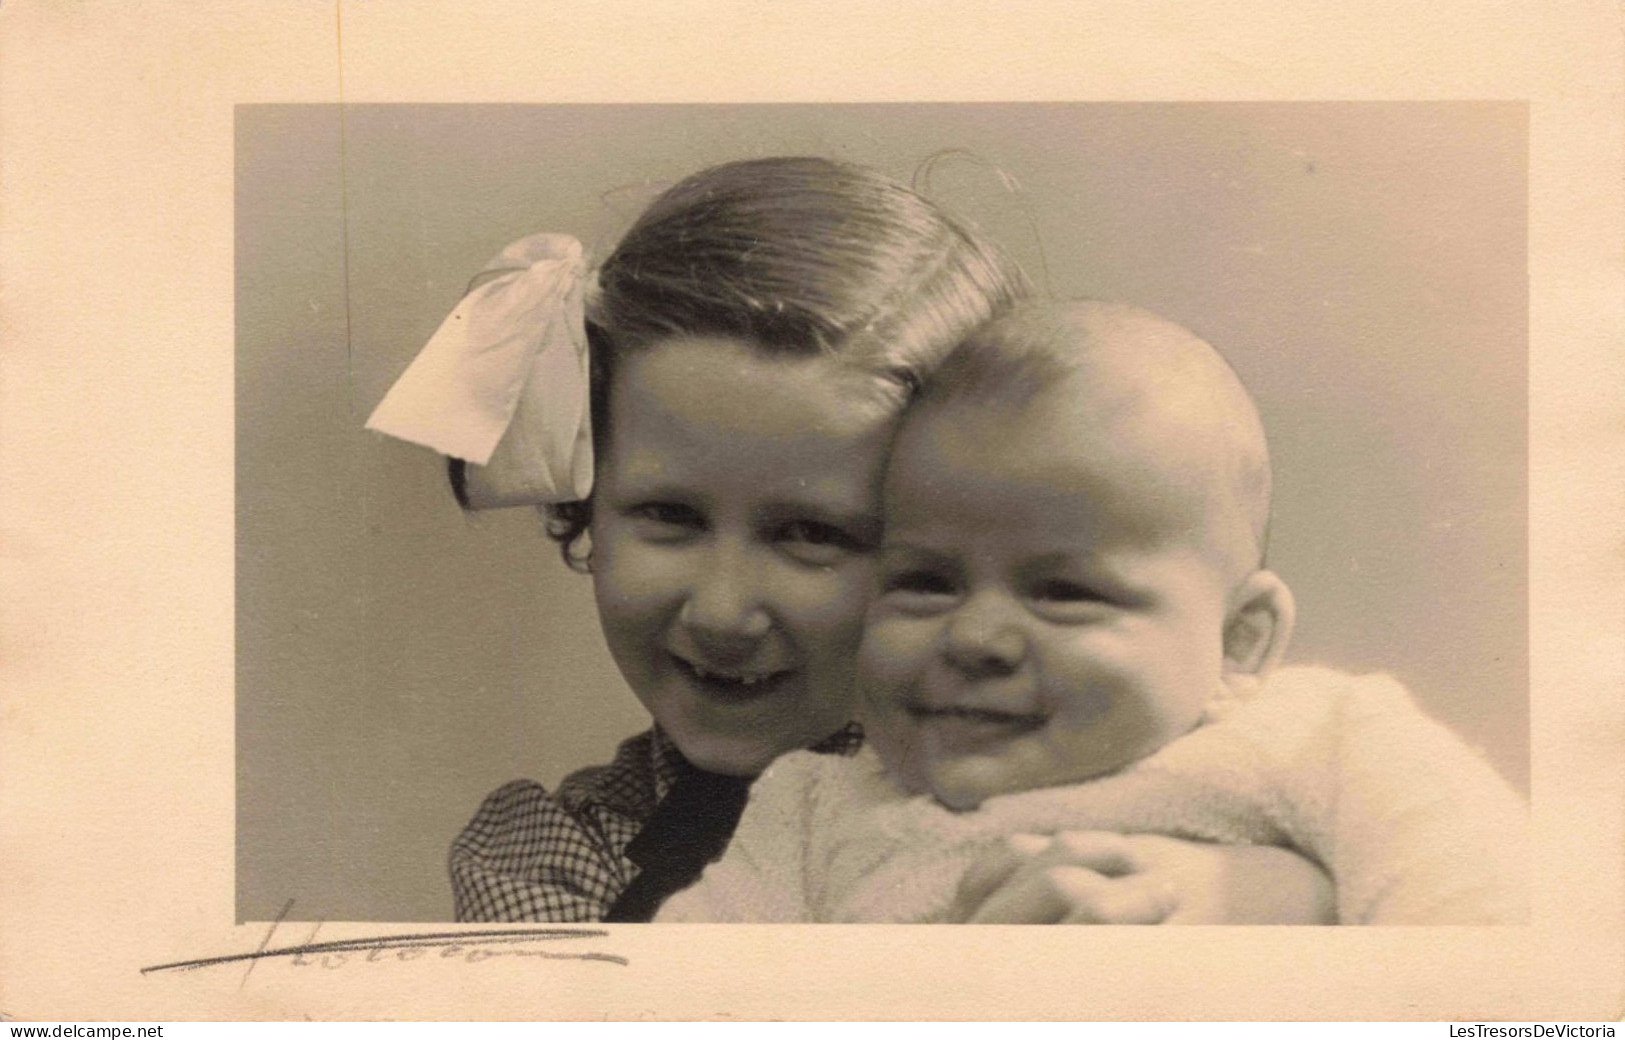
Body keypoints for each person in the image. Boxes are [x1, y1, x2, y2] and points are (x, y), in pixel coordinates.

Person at [369, 158, 1337, 924]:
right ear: (586, 504)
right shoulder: (554, 861)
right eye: (668, 516)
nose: (720, 610)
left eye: (811, 533)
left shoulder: (1182, 769)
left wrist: (1274, 901)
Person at [656, 300, 1528, 924]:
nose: (975, 636)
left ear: (1238, 642)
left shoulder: (1324, 736)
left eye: (1061, 591)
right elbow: (674, 1001)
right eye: (925, 580)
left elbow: (1488, 937)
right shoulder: (811, 803)